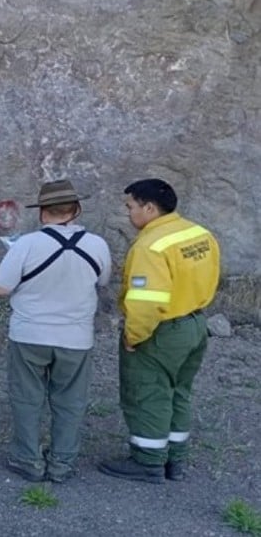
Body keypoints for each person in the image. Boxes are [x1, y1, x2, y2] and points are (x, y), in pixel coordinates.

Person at [98, 178, 220, 483]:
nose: (128, 214)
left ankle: (148, 461)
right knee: (179, 392)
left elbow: (146, 302)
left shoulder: (150, 247)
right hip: (195, 324)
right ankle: (174, 459)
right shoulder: (199, 234)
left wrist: (133, 336)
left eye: (131, 206)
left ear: (149, 208)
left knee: (149, 393)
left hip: (162, 331)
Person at [0, 179, 112, 482]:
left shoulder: (27, 244)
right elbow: (102, 282)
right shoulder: (98, 245)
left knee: (27, 397)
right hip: (75, 337)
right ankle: (62, 463)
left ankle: (27, 459)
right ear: (77, 210)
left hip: (29, 334)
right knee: (70, 400)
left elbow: (1, 288)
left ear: (43, 213)